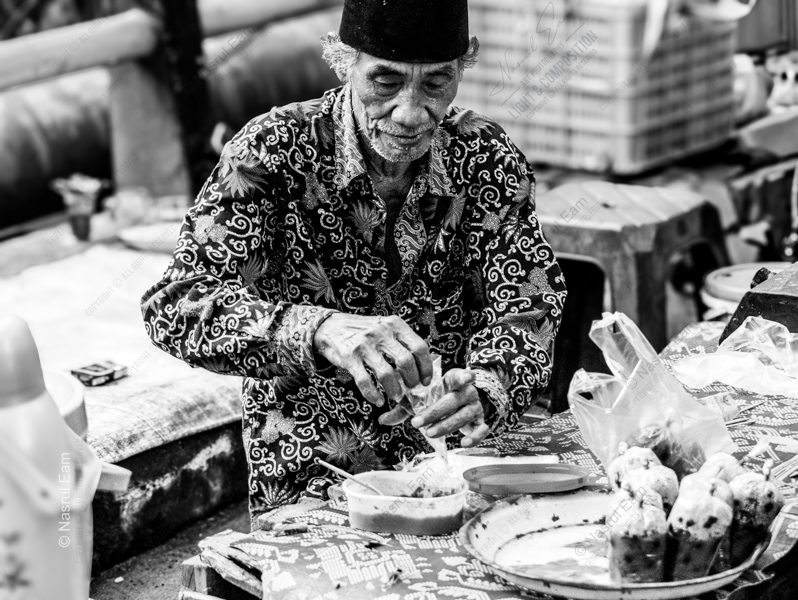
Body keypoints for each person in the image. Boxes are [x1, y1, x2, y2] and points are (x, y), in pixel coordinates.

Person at [141, 0, 566, 522]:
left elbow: (530, 302)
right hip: (313, 471)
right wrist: (316, 329)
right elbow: (176, 304)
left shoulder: (485, 157)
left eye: (436, 83)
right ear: (343, 61)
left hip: (453, 462)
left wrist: (490, 385)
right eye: (384, 82)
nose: (410, 114)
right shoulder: (271, 153)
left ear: (463, 68)